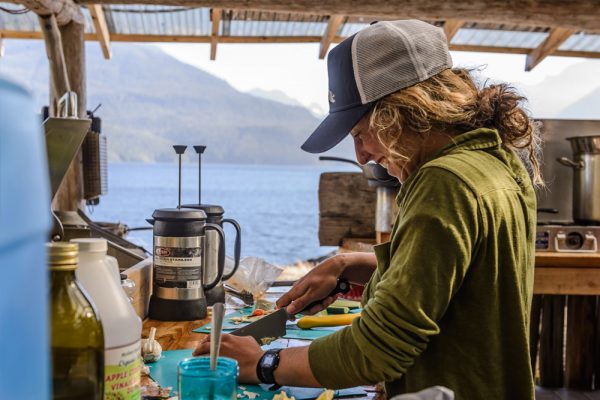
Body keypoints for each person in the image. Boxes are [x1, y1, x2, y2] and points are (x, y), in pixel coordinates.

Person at [194, 20, 541, 399]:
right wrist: (351, 265)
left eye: (360, 133)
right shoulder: (498, 163)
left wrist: (263, 363)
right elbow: (469, 277)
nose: (361, 156)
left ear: (403, 110)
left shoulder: (444, 181)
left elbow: (379, 348)